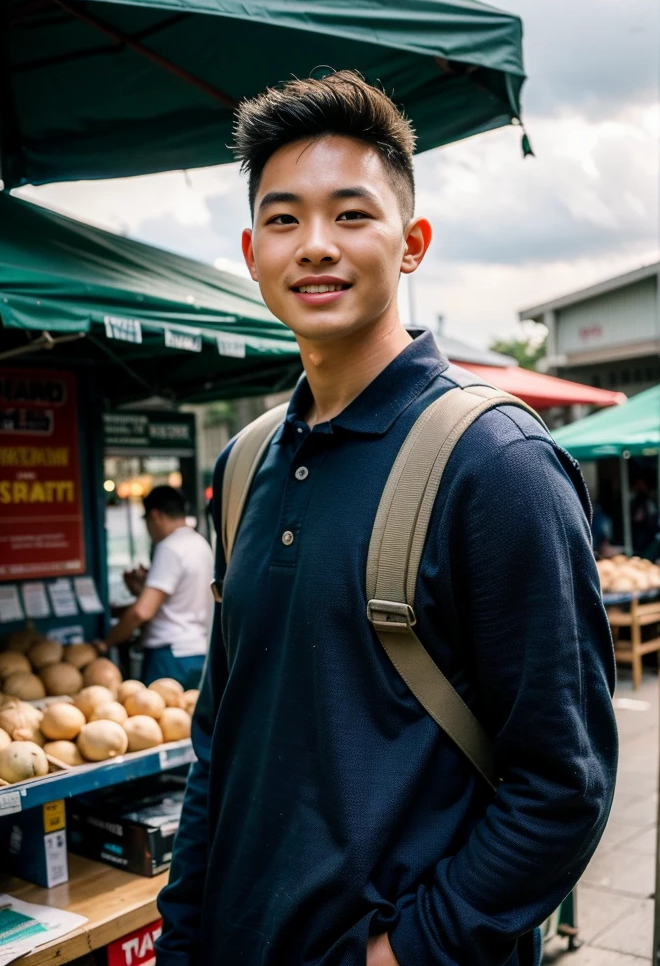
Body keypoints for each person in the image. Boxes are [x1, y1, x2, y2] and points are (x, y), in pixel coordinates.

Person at [155, 72, 617, 966]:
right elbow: (223, 737)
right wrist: (184, 935)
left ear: (412, 244)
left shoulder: (496, 465)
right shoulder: (243, 464)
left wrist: (406, 951)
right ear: (252, 252)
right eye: (284, 219)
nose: (315, 246)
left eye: (352, 215)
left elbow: (565, 786)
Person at [100, 485, 213, 689]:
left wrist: (106, 643)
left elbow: (142, 612)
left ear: (155, 516)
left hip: (169, 656)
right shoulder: (200, 544)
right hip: (198, 651)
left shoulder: (169, 547)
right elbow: (179, 598)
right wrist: (141, 589)